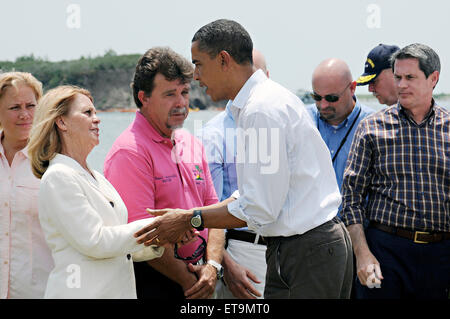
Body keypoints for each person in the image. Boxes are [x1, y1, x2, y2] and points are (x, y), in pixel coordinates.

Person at [135, 19, 353, 299]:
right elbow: (254, 196)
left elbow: (259, 209)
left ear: (223, 60)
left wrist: (189, 219)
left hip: (307, 251)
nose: (196, 77)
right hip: (307, 247)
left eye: (199, 64)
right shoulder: (264, 102)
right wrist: (190, 218)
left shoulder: (260, 109)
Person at [104, 47, 224, 300]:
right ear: (143, 97)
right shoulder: (129, 152)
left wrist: (213, 267)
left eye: (184, 92)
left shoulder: (192, 143)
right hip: (154, 282)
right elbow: (141, 235)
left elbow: (215, 211)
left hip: (201, 278)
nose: (181, 102)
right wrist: (190, 281)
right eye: (170, 94)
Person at [27, 85, 163, 298]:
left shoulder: (96, 177)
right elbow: (96, 241)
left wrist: (160, 239)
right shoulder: (58, 177)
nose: (97, 119)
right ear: (61, 122)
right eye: (87, 113)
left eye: (96, 112)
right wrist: (158, 226)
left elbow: (118, 246)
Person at [341, 43, 450, 299]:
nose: (401, 85)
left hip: (441, 256)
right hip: (385, 253)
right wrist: (362, 254)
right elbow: (350, 199)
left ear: (433, 78)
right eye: (398, 77)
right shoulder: (372, 128)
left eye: (410, 77)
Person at [196, 49, 269, 299]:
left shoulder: (278, 120)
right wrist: (226, 266)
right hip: (242, 251)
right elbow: (209, 208)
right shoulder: (212, 134)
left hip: (287, 249)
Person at [0, 72, 53, 298]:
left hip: (39, 292)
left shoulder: (54, 161)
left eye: (31, 106)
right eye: (15, 108)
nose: (25, 115)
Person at [306, 58, 375, 192]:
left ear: (352, 88)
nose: (323, 105)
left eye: (332, 98)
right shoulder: (302, 120)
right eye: (317, 97)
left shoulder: (374, 125)